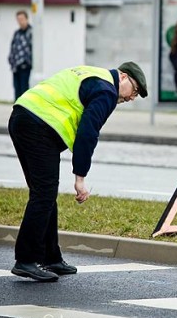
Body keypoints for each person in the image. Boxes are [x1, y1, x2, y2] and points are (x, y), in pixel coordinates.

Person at [8, 62, 148, 282]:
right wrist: (80, 178)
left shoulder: (93, 73)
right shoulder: (107, 91)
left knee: (44, 193)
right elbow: (87, 133)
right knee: (43, 194)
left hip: (22, 116)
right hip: (38, 126)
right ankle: (26, 260)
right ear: (122, 77)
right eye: (135, 90)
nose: (132, 98)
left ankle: (50, 257)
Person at [8, 10, 33, 100]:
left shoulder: (31, 32)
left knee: (24, 90)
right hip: (16, 66)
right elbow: (13, 48)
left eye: (22, 19)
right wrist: (11, 60)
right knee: (16, 90)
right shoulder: (17, 33)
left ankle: (24, 111)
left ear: (26, 19)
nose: (20, 21)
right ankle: (17, 111)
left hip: (25, 66)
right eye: (18, 19)